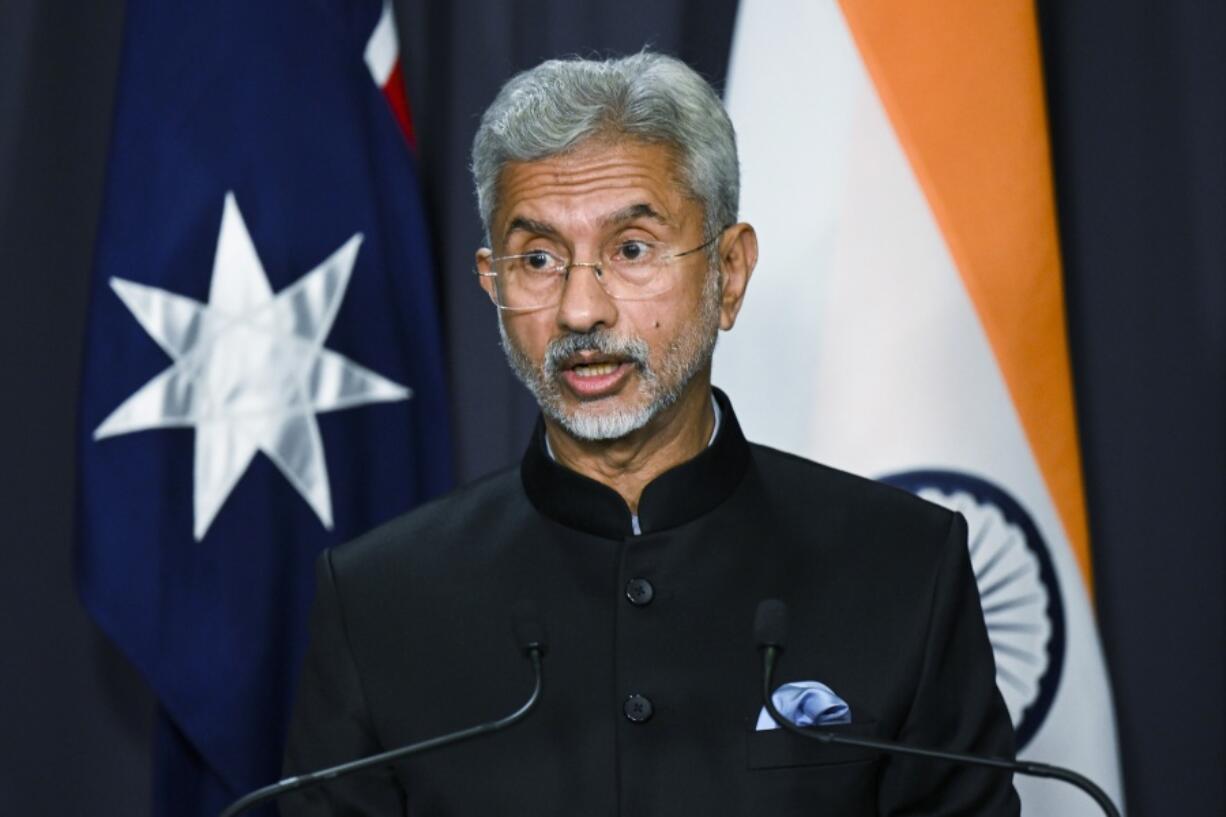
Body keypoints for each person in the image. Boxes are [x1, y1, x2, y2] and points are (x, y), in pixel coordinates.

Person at [282, 52, 1020, 816]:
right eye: (537, 258)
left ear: (729, 273)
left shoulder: (902, 568)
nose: (580, 310)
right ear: (492, 282)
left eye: (630, 250)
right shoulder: (376, 602)